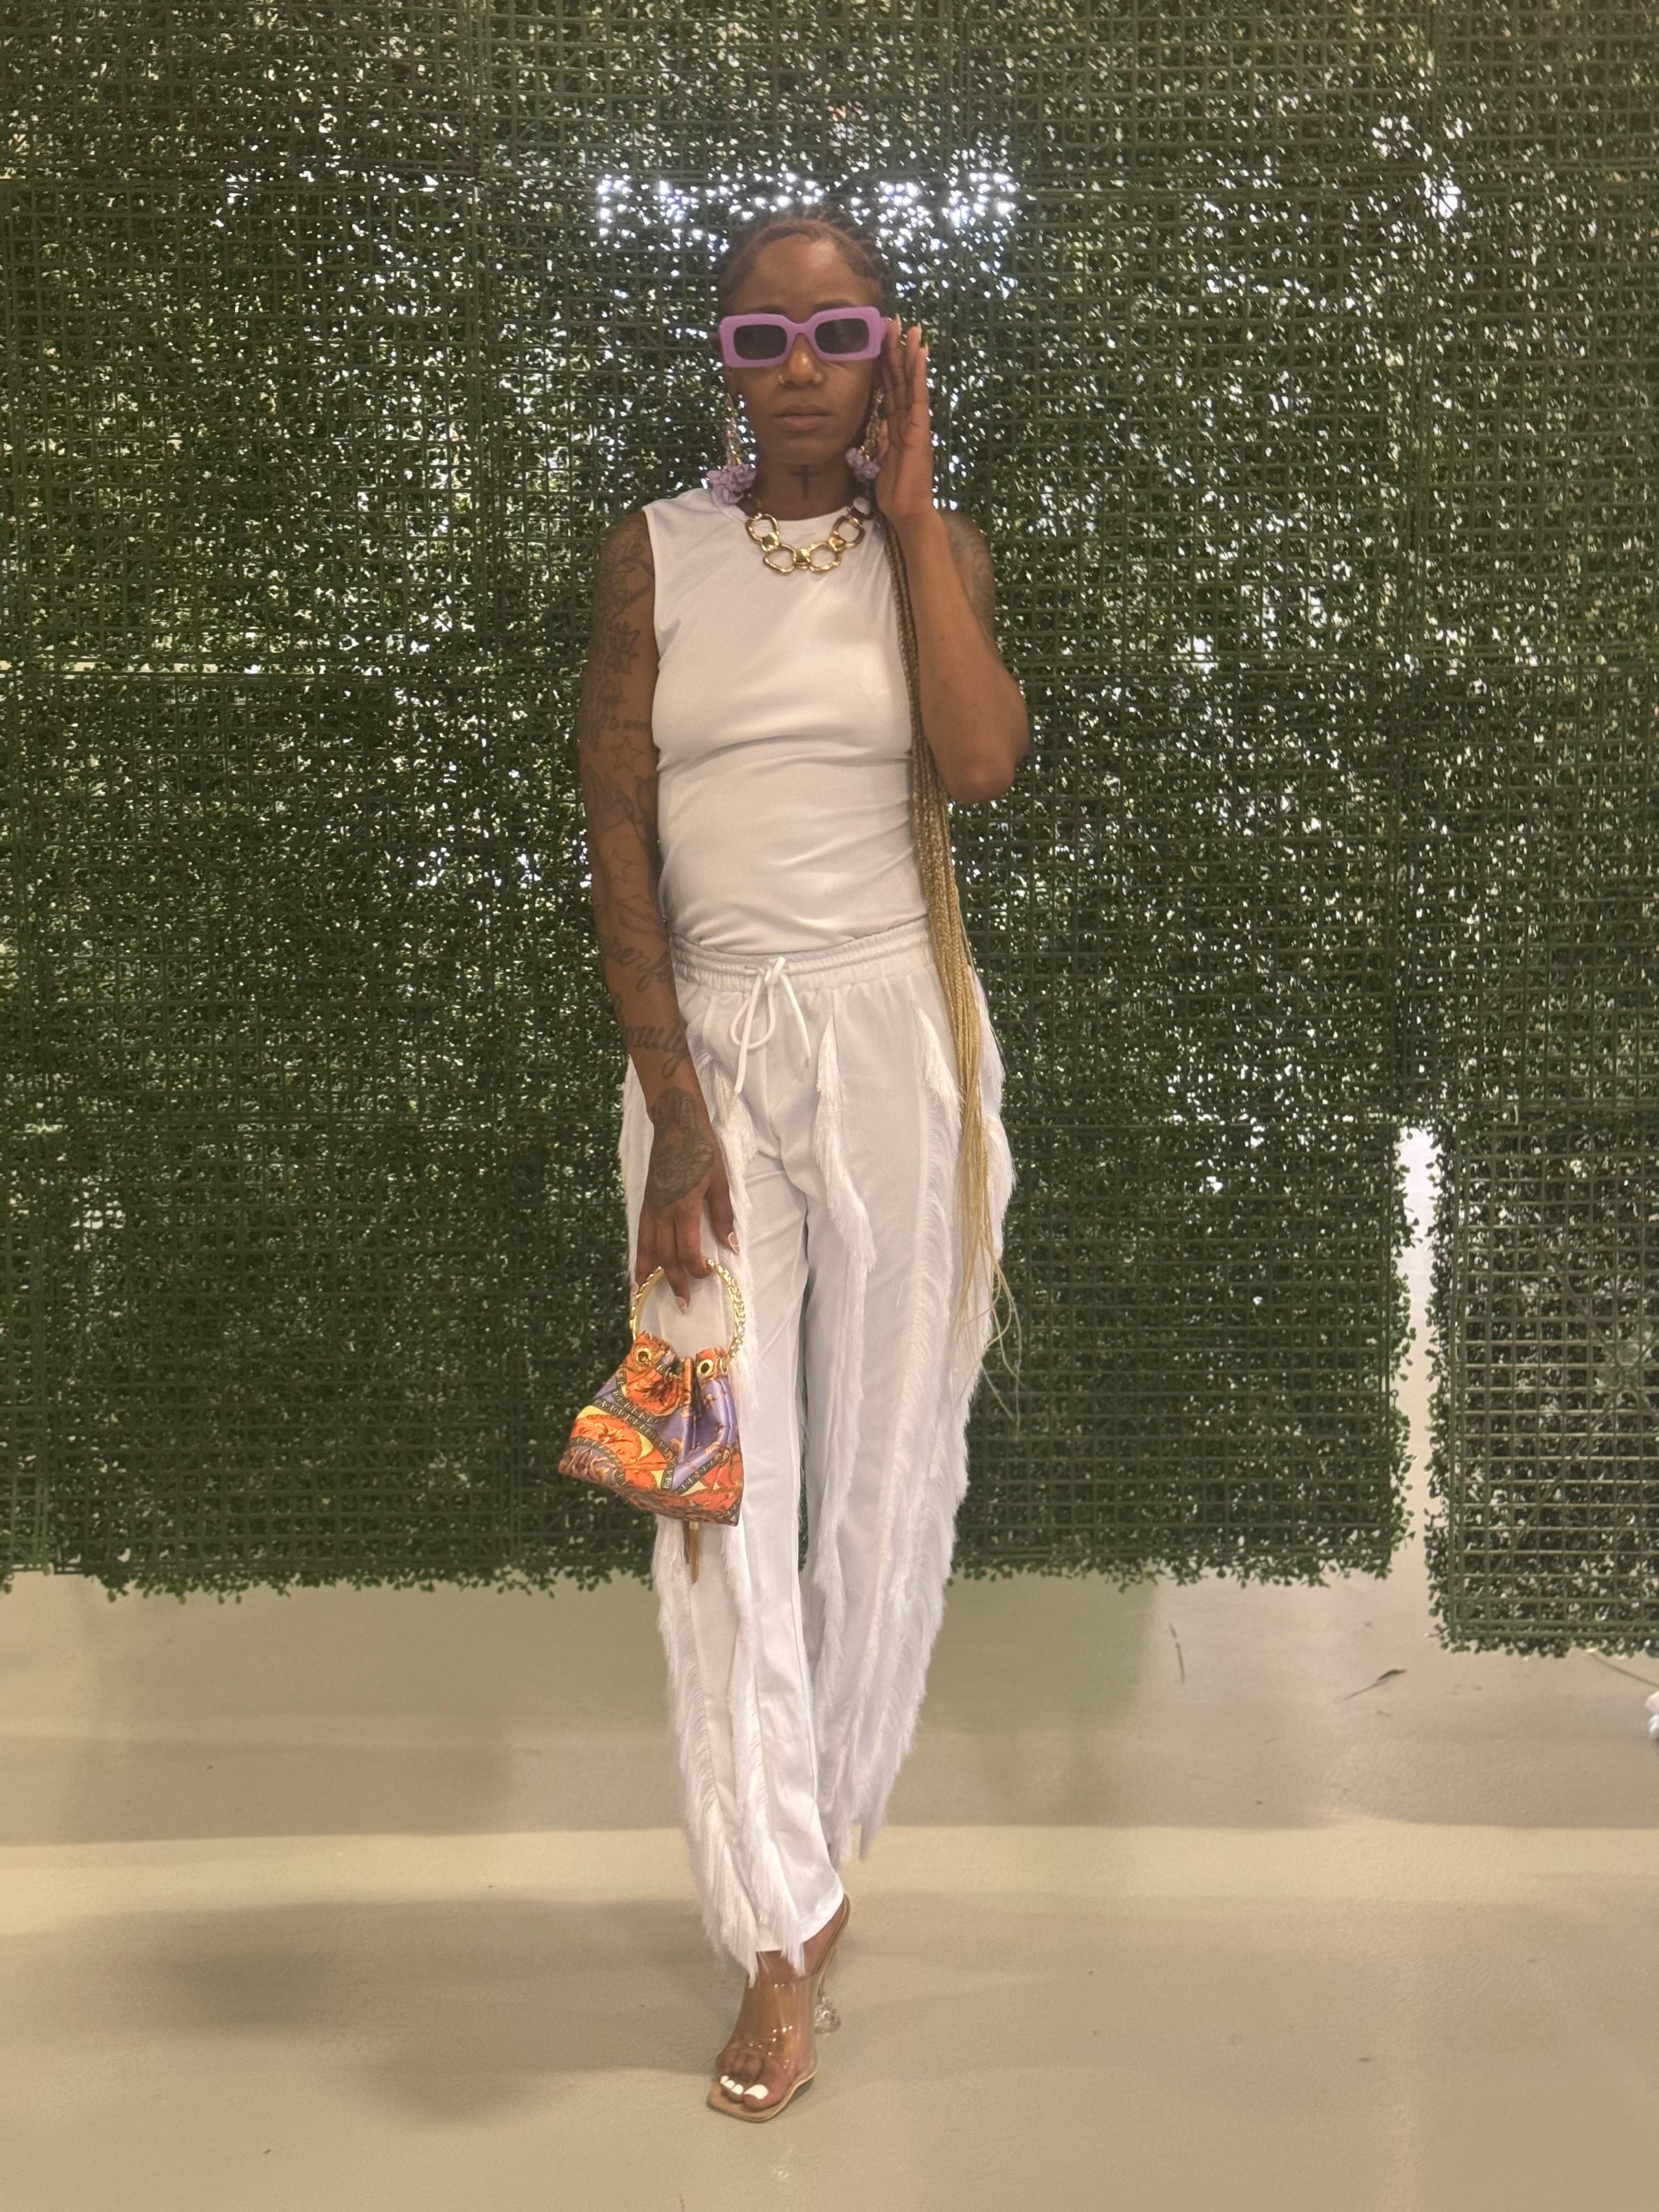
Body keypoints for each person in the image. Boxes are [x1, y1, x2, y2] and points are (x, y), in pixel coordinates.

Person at [574, 200, 1029, 2120]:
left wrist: (913, 522)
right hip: (712, 1056)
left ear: (890, 350)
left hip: (897, 1044)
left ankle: (815, 1854)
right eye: (763, 340)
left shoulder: (936, 549)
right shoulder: (653, 557)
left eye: (837, 334)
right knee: (718, 1489)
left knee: (888, 1472)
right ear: (725, 364)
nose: (803, 372)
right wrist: (671, 1097)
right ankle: (770, 1930)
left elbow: (983, 762)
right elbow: (616, 828)